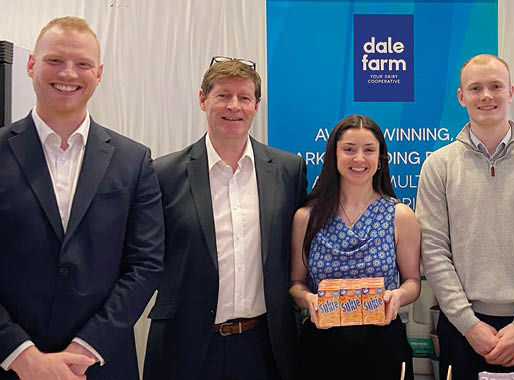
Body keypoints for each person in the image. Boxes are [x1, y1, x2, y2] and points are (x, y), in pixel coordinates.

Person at [0, 16, 164, 380]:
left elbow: (146, 264)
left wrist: (84, 349)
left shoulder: (133, 160)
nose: (69, 73)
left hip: (99, 365)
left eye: (83, 64)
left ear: (99, 73)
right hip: (11, 366)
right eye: (55, 60)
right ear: (31, 64)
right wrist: (21, 354)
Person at [143, 57, 307, 380]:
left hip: (265, 346)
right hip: (186, 349)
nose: (234, 106)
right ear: (203, 99)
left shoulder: (289, 171)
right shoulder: (163, 174)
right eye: (223, 95)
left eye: (244, 97)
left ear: (256, 106)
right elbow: (145, 261)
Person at [416, 54, 514, 380]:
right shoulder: (438, 166)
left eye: (495, 86)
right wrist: (470, 325)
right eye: (476, 88)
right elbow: (433, 251)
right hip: (462, 332)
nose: (486, 96)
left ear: (510, 91)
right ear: (461, 97)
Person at [289, 114, 421, 380]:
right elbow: (295, 283)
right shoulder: (307, 217)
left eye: (369, 150)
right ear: (334, 155)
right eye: (349, 149)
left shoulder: (400, 215)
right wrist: (308, 300)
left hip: (383, 346)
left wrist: (398, 296)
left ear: (381, 158)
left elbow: (413, 282)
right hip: (322, 349)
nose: (359, 159)